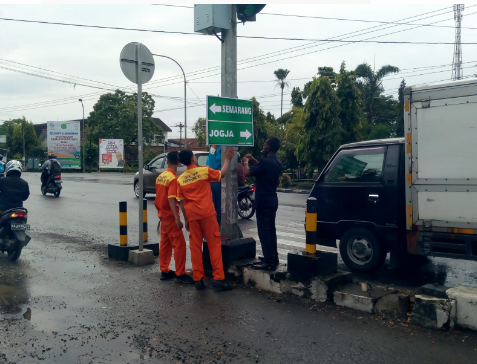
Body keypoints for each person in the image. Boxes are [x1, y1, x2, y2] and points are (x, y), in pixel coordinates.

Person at [177, 147, 235, 291]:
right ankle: (218, 278)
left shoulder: (181, 179)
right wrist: (227, 159)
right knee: (214, 245)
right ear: (192, 159)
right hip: (207, 214)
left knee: (195, 247)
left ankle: (198, 279)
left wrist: (186, 220)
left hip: (192, 216)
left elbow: (181, 201)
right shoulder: (204, 171)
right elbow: (221, 174)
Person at [243, 137, 283, 270]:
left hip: (264, 200)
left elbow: (247, 173)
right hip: (272, 199)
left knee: (264, 231)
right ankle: (273, 256)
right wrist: (254, 160)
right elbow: (262, 168)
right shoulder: (276, 161)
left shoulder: (265, 162)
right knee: (271, 229)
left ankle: (268, 260)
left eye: (265, 144)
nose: (263, 146)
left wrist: (245, 162)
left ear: (268, 148)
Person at [154, 151, 194, 284]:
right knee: (179, 245)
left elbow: (159, 196)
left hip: (162, 215)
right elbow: (171, 198)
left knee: (165, 244)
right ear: (178, 162)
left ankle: (164, 270)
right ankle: (180, 273)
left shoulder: (161, 176)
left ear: (167, 161)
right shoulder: (172, 179)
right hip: (170, 216)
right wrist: (177, 218)